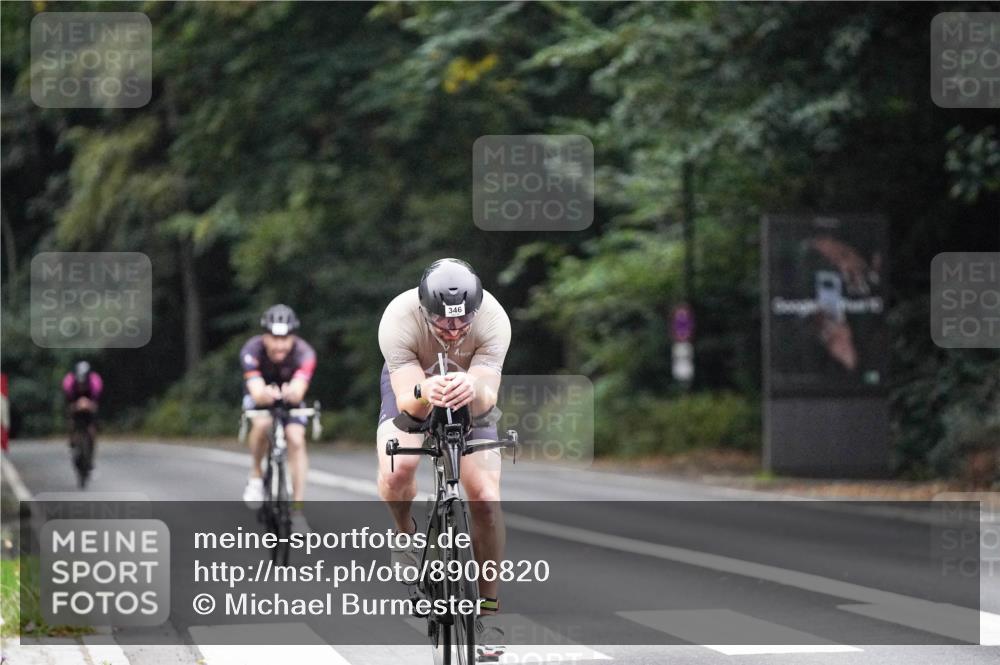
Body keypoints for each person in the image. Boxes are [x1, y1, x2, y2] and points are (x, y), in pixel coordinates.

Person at [376, 258, 511, 661]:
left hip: (471, 390)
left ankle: (487, 608)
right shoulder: (398, 318)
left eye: (461, 323)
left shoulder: (494, 319)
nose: (453, 331)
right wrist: (425, 391)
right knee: (397, 469)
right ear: (424, 310)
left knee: (486, 497)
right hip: (415, 383)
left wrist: (471, 384)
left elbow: (489, 394)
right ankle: (404, 535)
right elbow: (405, 400)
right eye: (443, 323)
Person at [239, 304, 317, 533]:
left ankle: (297, 510)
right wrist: (265, 394)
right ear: (265, 336)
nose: (279, 344)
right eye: (274, 338)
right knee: (262, 423)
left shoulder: (305, 352)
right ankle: (256, 475)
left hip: (289, 397)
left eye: (285, 338)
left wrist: (291, 392)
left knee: (296, 439)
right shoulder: (251, 350)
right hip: (260, 396)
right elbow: (255, 390)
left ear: (293, 337)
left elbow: (299, 390)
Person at [61, 361, 103, 469]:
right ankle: (72, 443)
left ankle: (91, 452)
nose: (81, 385)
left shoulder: (95, 381)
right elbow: (68, 398)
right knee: (71, 421)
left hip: (90, 404)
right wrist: (73, 406)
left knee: (92, 428)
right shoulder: (69, 381)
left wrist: (91, 405)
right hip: (74, 402)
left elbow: (96, 398)